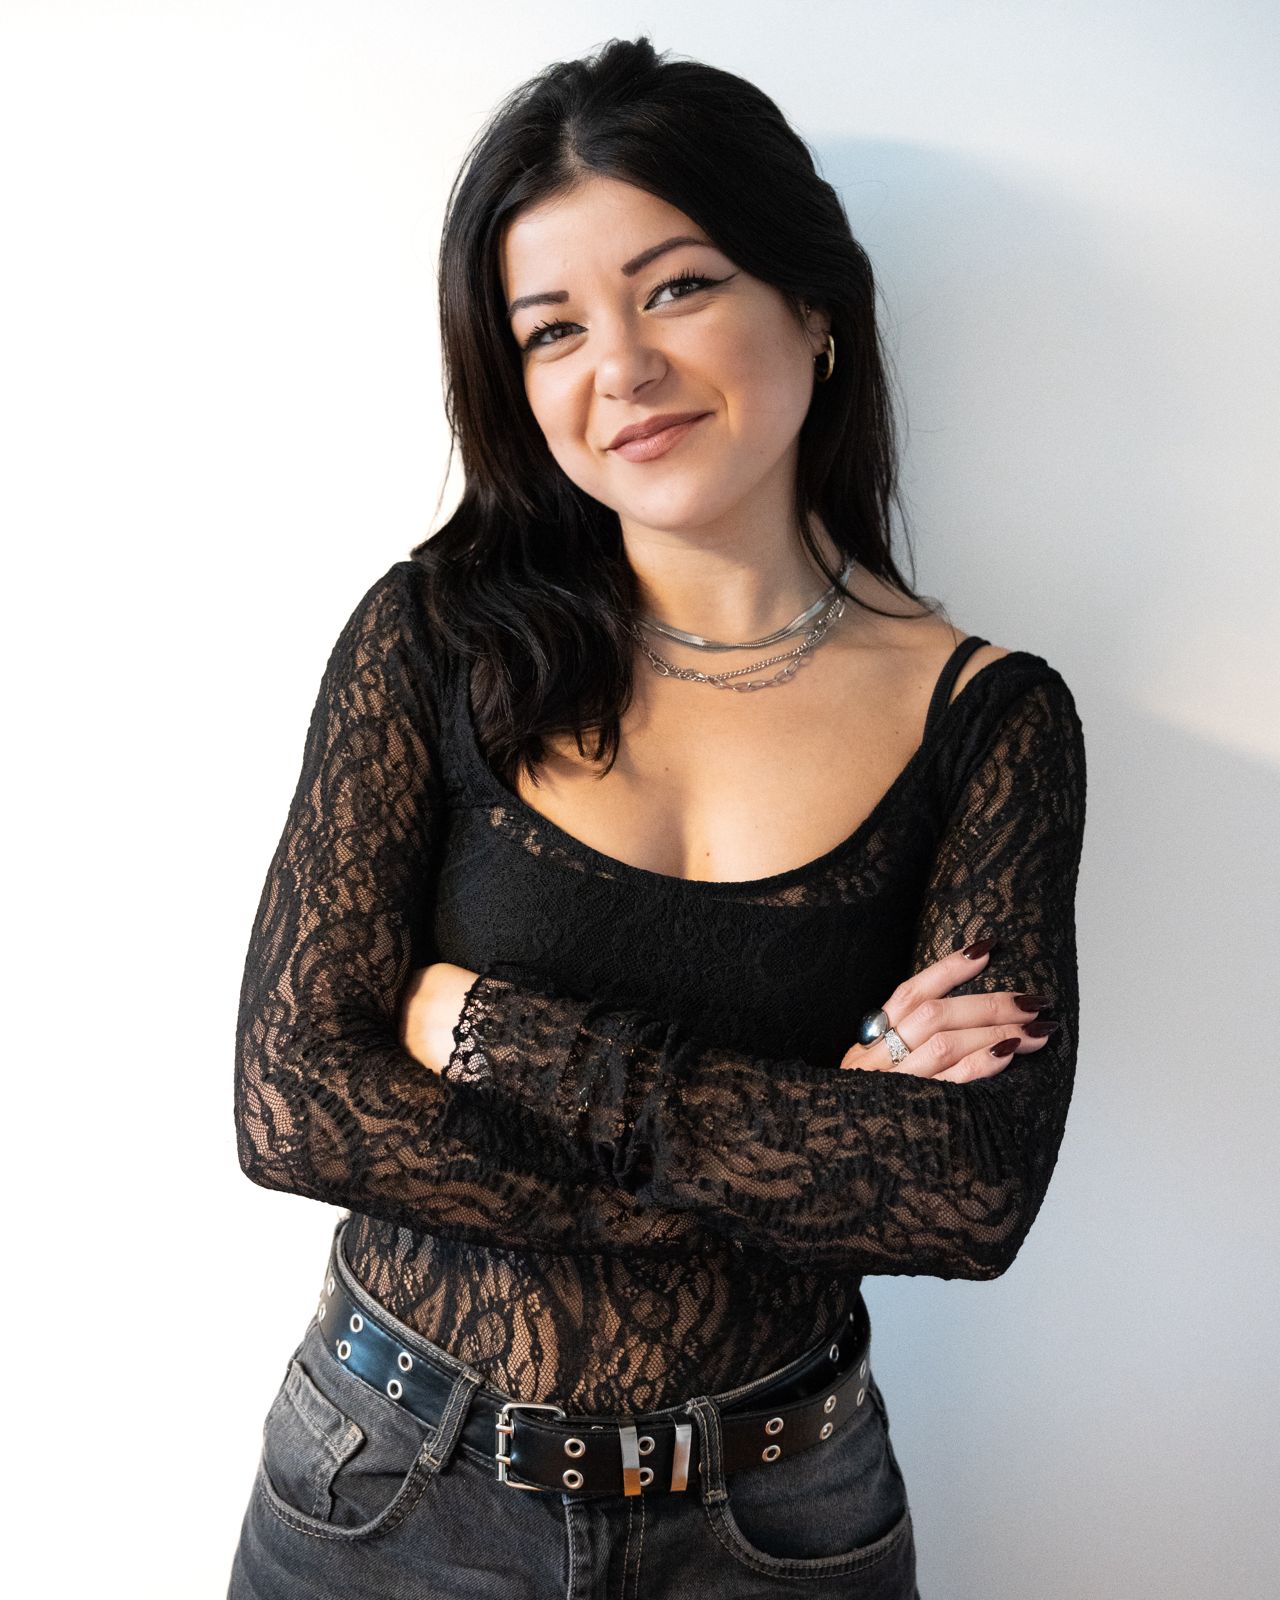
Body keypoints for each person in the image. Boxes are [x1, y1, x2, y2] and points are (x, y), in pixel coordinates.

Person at [226, 35, 1086, 1600]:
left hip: (783, 1519)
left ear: (813, 305)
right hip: (391, 1488)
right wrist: (807, 1142)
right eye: (552, 328)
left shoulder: (992, 722)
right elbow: (296, 1107)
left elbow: (967, 1193)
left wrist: (491, 1033)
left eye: (676, 287)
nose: (618, 368)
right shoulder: (436, 641)